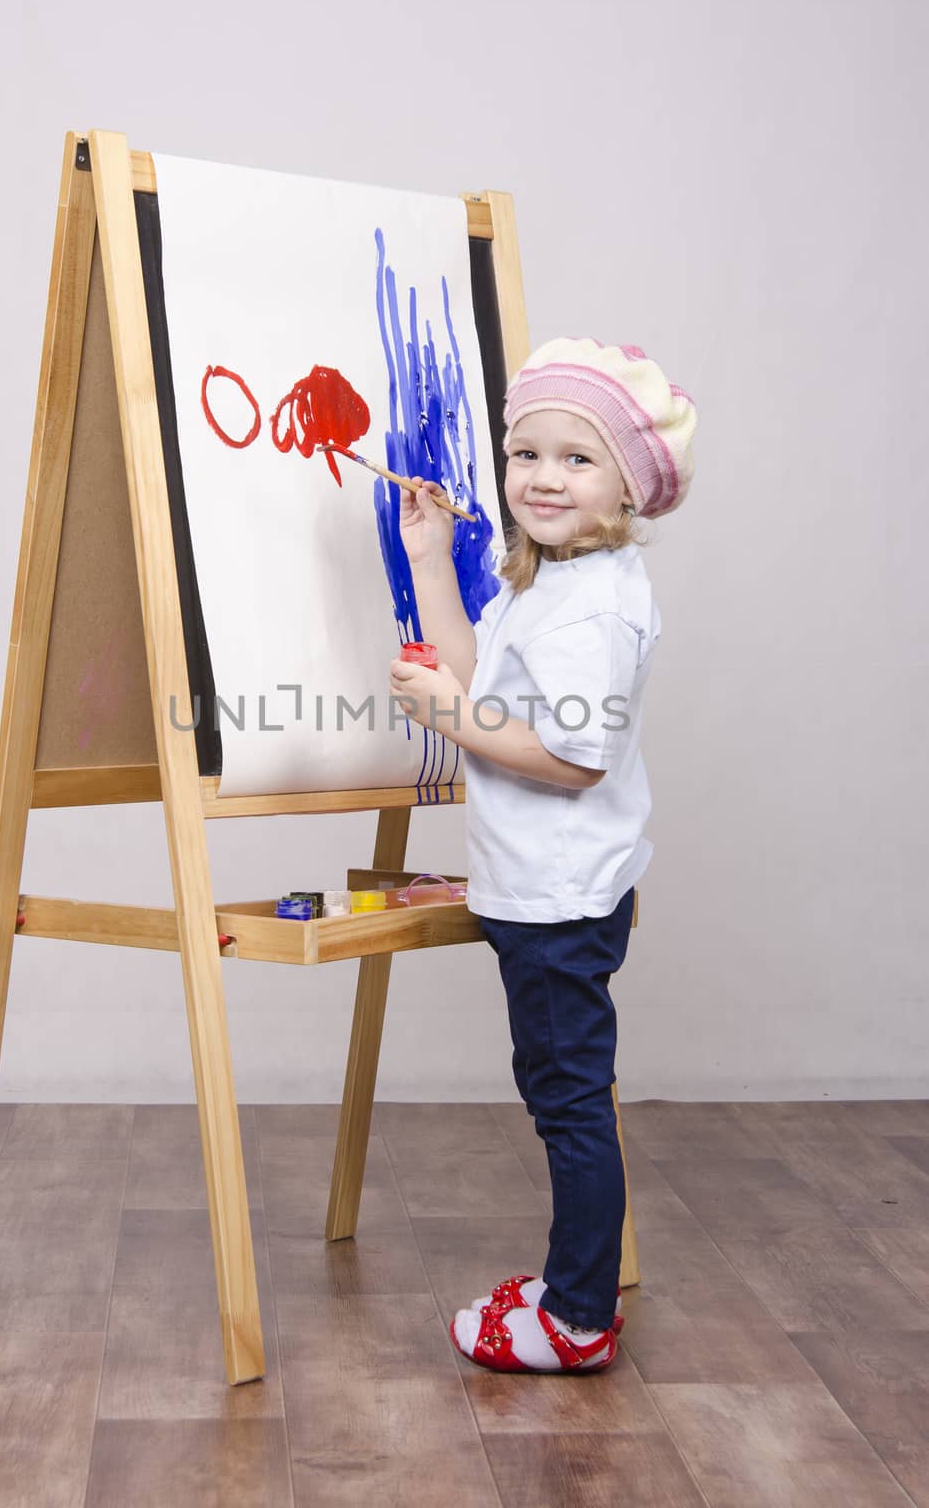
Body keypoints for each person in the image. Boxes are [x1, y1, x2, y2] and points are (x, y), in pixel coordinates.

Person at [389, 336, 697, 1374]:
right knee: (562, 1092)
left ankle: (573, 1317)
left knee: (567, 1102)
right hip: (536, 890)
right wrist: (432, 562)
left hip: (560, 900)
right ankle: (577, 1285)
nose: (541, 477)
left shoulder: (594, 604)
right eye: (526, 454)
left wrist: (451, 717)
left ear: (628, 487)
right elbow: (476, 670)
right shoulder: (549, 581)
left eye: (576, 458)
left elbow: (571, 757)